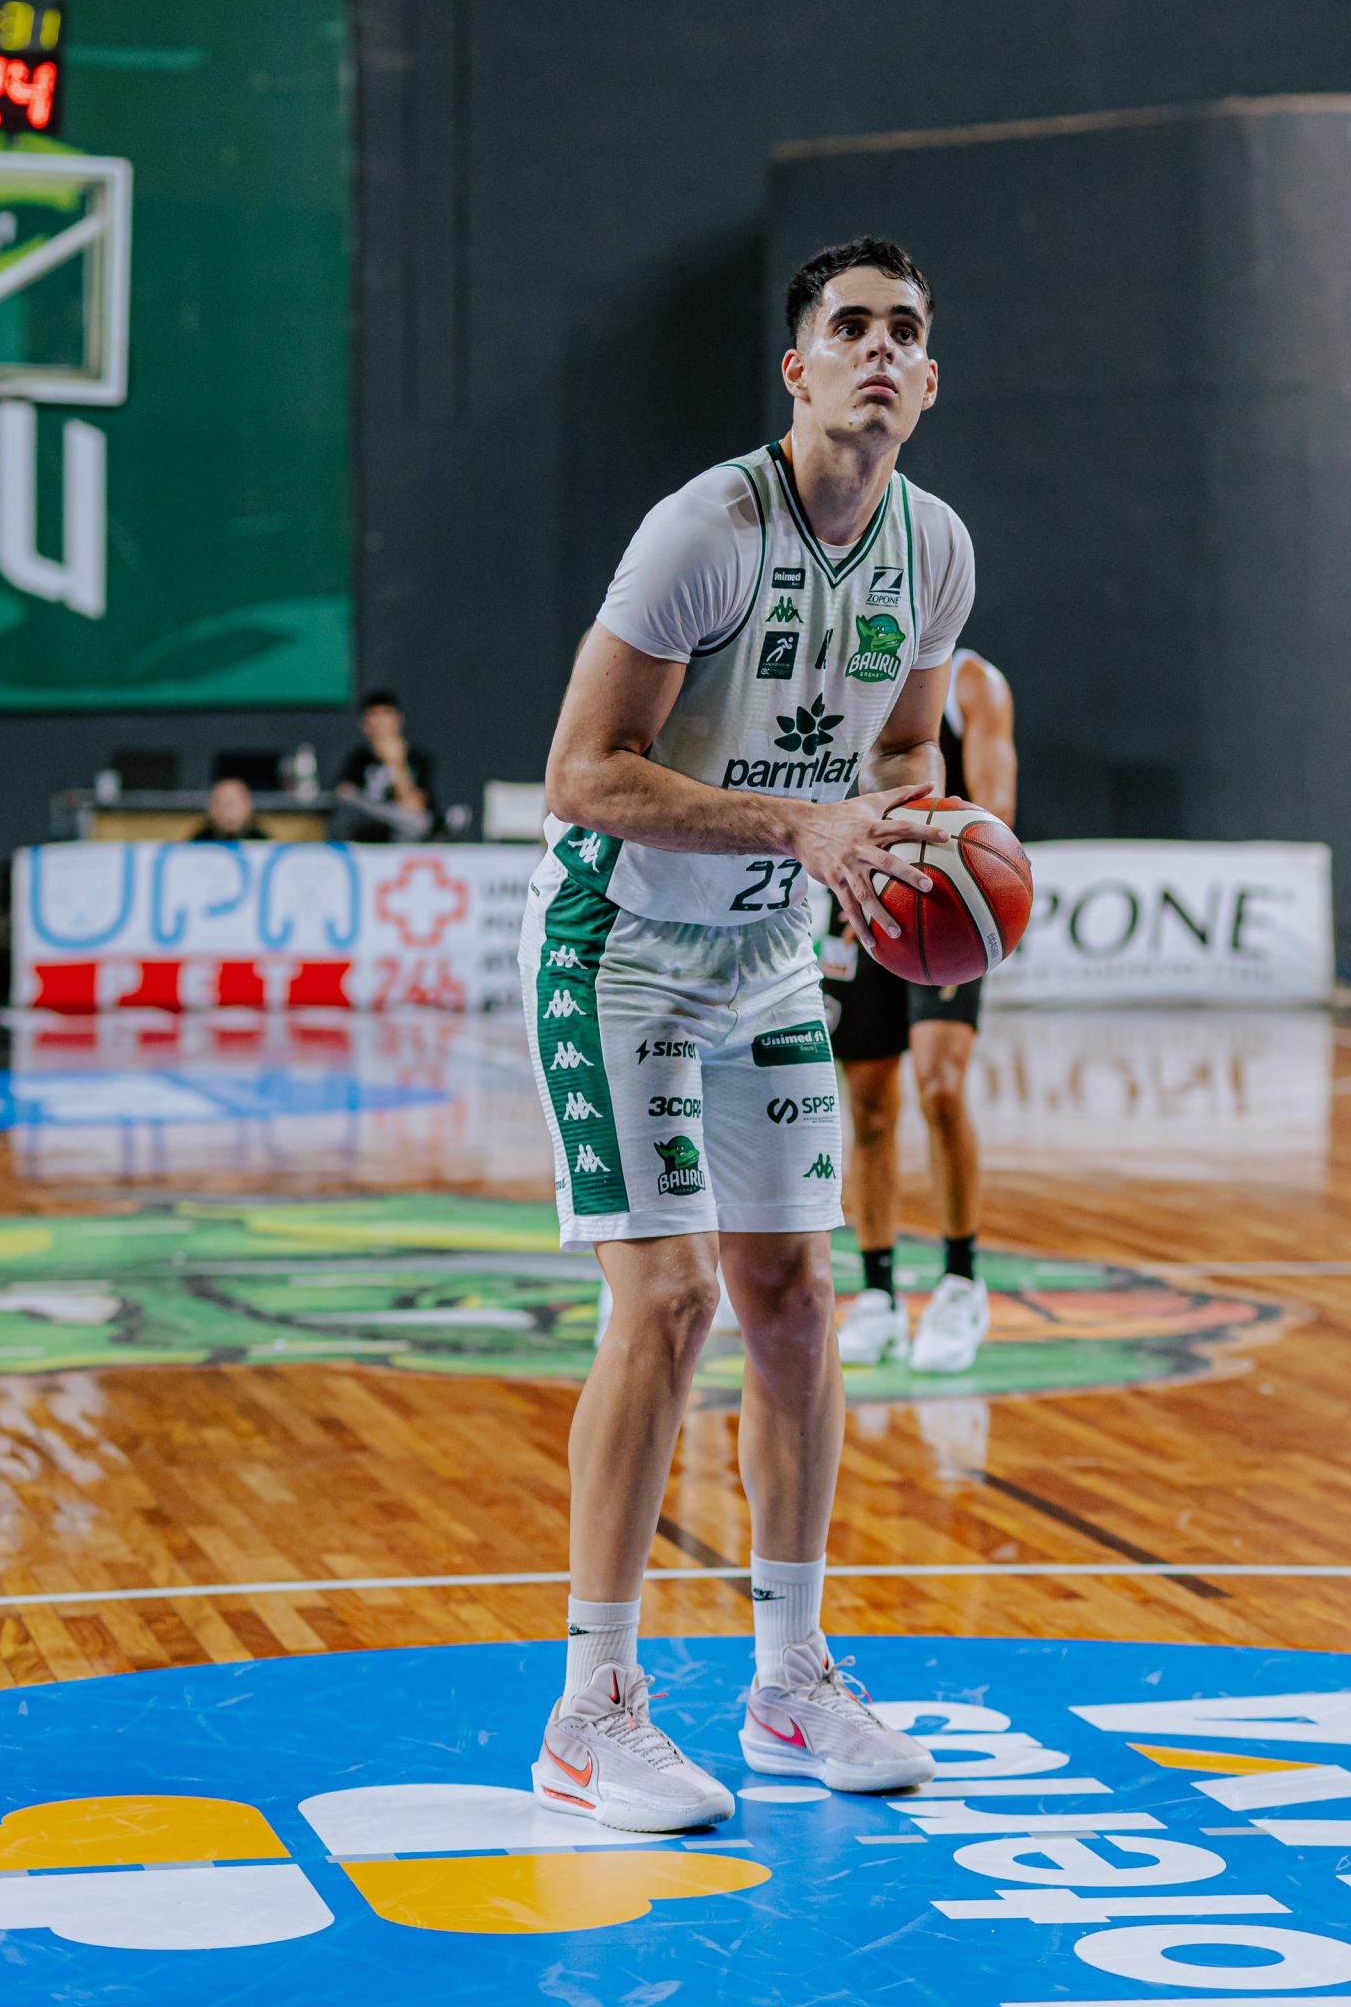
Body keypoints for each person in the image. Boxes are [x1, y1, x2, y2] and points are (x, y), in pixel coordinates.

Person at [520, 235, 973, 1833]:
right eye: (847, 327)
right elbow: (581, 773)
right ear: (797, 370)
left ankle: (788, 1682)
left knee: (791, 1299)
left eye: (902, 331)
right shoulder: (702, 531)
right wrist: (799, 826)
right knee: (666, 1299)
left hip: (771, 957)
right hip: (619, 948)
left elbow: (905, 750)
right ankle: (590, 1711)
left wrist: (913, 845)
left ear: (928, 380)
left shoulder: (935, 549)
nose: (876, 349)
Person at [825, 646, 1016, 1375]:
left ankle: (961, 1283)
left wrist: (925, 879)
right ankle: (877, 1294)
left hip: (945, 905)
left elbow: (994, 814)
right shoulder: (838, 670)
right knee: (870, 1107)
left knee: (940, 1087)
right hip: (856, 899)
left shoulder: (971, 682)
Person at [333, 692, 437, 842]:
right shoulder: (358, 759)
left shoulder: (417, 759)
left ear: (398, 719)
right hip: (365, 824)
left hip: (400, 828)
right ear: (364, 724)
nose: (380, 721)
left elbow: (414, 808)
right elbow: (345, 798)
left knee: (418, 822)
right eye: (374, 714)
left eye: (386, 714)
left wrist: (396, 762)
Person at [190, 777, 269, 842]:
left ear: (248, 805)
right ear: (211, 809)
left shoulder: (265, 846)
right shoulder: (195, 846)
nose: (226, 810)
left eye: (231, 803)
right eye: (219, 803)